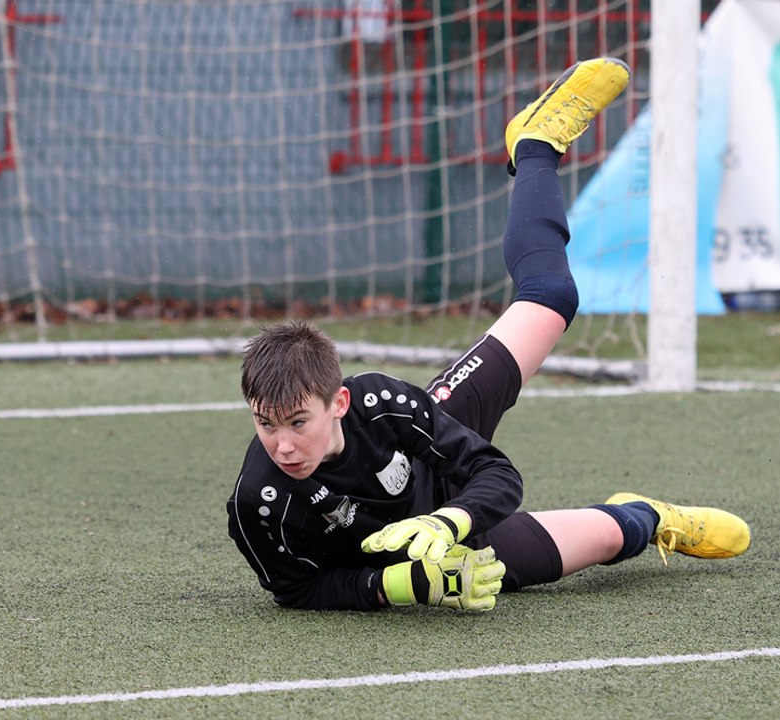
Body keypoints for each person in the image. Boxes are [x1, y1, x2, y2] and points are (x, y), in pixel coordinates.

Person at [225, 57, 752, 612]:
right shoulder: (257, 501)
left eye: (297, 423)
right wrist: (409, 585)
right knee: (614, 535)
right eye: (266, 423)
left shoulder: (382, 406)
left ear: (339, 402)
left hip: (452, 502)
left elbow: (495, 473)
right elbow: (296, 589)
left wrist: (450, 520)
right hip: (451, 553)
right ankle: (653, 515)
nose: (282, 444)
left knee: (552, 298)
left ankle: (535, 143)